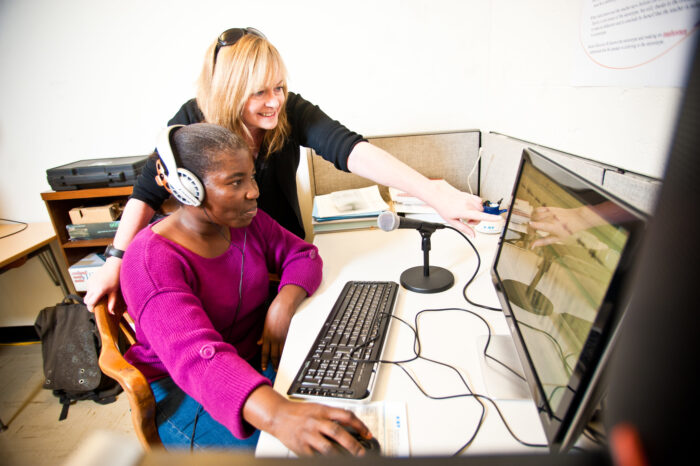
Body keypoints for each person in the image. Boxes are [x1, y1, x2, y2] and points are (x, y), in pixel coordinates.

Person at [85, 27, 500, 313]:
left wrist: (436, 194)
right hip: (229, 273)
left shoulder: (288, 110)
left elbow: (350, 148)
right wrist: (116, 259)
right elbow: (146, 191)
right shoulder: (193, 123)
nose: (275, 101)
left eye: (279, 87)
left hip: (286, 256)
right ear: (229, 93)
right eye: (260, 92)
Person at [121, 123, 373, 455]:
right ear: (188, 189)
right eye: (236, 182)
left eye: (251, 177)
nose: (253, 191)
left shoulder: (246, 221)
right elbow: (197, 359)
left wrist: (282, 304)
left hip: (251, 359)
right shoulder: (150, 263)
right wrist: (279, 414)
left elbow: (303, 255)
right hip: (184, 392)